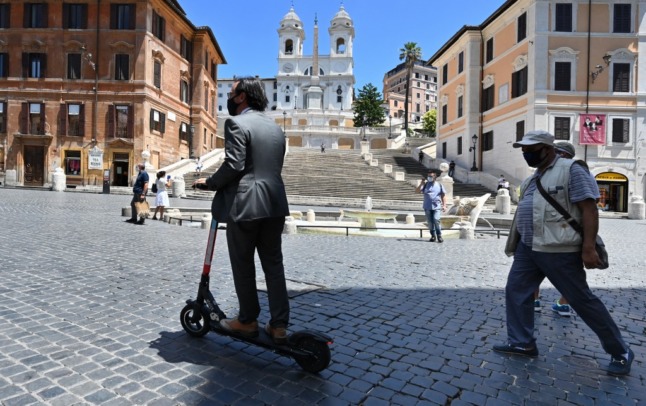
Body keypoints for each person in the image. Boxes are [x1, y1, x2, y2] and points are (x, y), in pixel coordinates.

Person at [493, 130, 634, 377]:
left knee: (581, 300)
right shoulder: (532, 178)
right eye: (524, 151)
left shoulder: (572, 170)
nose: (526, 154)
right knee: (516, 291)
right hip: (529, 247)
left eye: (531, 150)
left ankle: (620, 351)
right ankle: (522, 342)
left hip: (559, 249)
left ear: (548, 149)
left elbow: (589, 209)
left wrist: (588, 248)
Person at [193, 76, 290, 344]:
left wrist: (210, 182)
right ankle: (279, 325)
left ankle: (247, 320)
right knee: (274, 265)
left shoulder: (236, 123)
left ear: (242, 97)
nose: (230, 96)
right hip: (275, 203)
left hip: (246, 204)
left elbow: (234, 165)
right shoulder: (276, 129)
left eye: (233, 92)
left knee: (243, 263)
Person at [533, 141, 577, 316]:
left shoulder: (573, 171)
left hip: (562, 233)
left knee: (564, 272)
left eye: (555, 152)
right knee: (537, 269)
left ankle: (558, 302)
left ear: (563, 155)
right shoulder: (542, 172)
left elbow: (589, 208)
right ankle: (538, 300)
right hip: (544, 232)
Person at [415, 169, 446, 243]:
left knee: (436, 220)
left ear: (435, 177)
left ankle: (439, 235)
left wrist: (444, 205)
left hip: (436, 206)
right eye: (428, 176)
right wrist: (421, 184)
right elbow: (417, 191)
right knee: (430, 222)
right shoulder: (425, 185)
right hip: (427, 206)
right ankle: (433, 236)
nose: (429, 177)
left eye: (431, 176)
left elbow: (443, 195)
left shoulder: (439, 185)